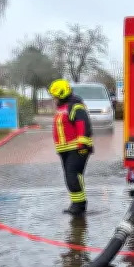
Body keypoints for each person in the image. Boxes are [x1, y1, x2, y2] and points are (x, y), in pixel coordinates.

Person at [48, 78, 94, 215]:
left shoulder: (75, 107)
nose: (54, 99)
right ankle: (76, 204)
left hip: (77, 148)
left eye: (55, 96)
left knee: (73, 176)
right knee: (69, 177)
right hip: (65, 150)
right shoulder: (62, 108)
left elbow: (83, 125)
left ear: (62, 94)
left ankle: (79, 206)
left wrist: (82, 144)